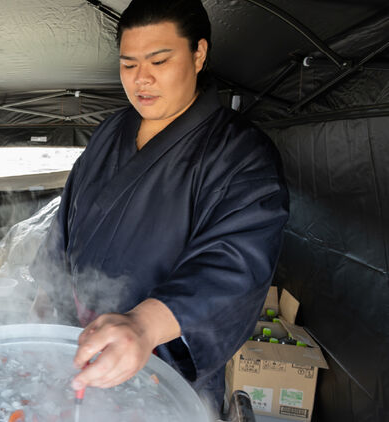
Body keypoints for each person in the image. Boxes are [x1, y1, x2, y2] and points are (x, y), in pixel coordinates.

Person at [31, 0, 289, 411]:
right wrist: (48, 286)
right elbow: (69, 214)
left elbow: (236, 262)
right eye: (129, 64)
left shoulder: (241, 152)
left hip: (161, 366)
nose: (141, 79)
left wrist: (142, 325)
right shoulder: (112, 130)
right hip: (82, 347)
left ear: (198, 54)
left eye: (159, 60)